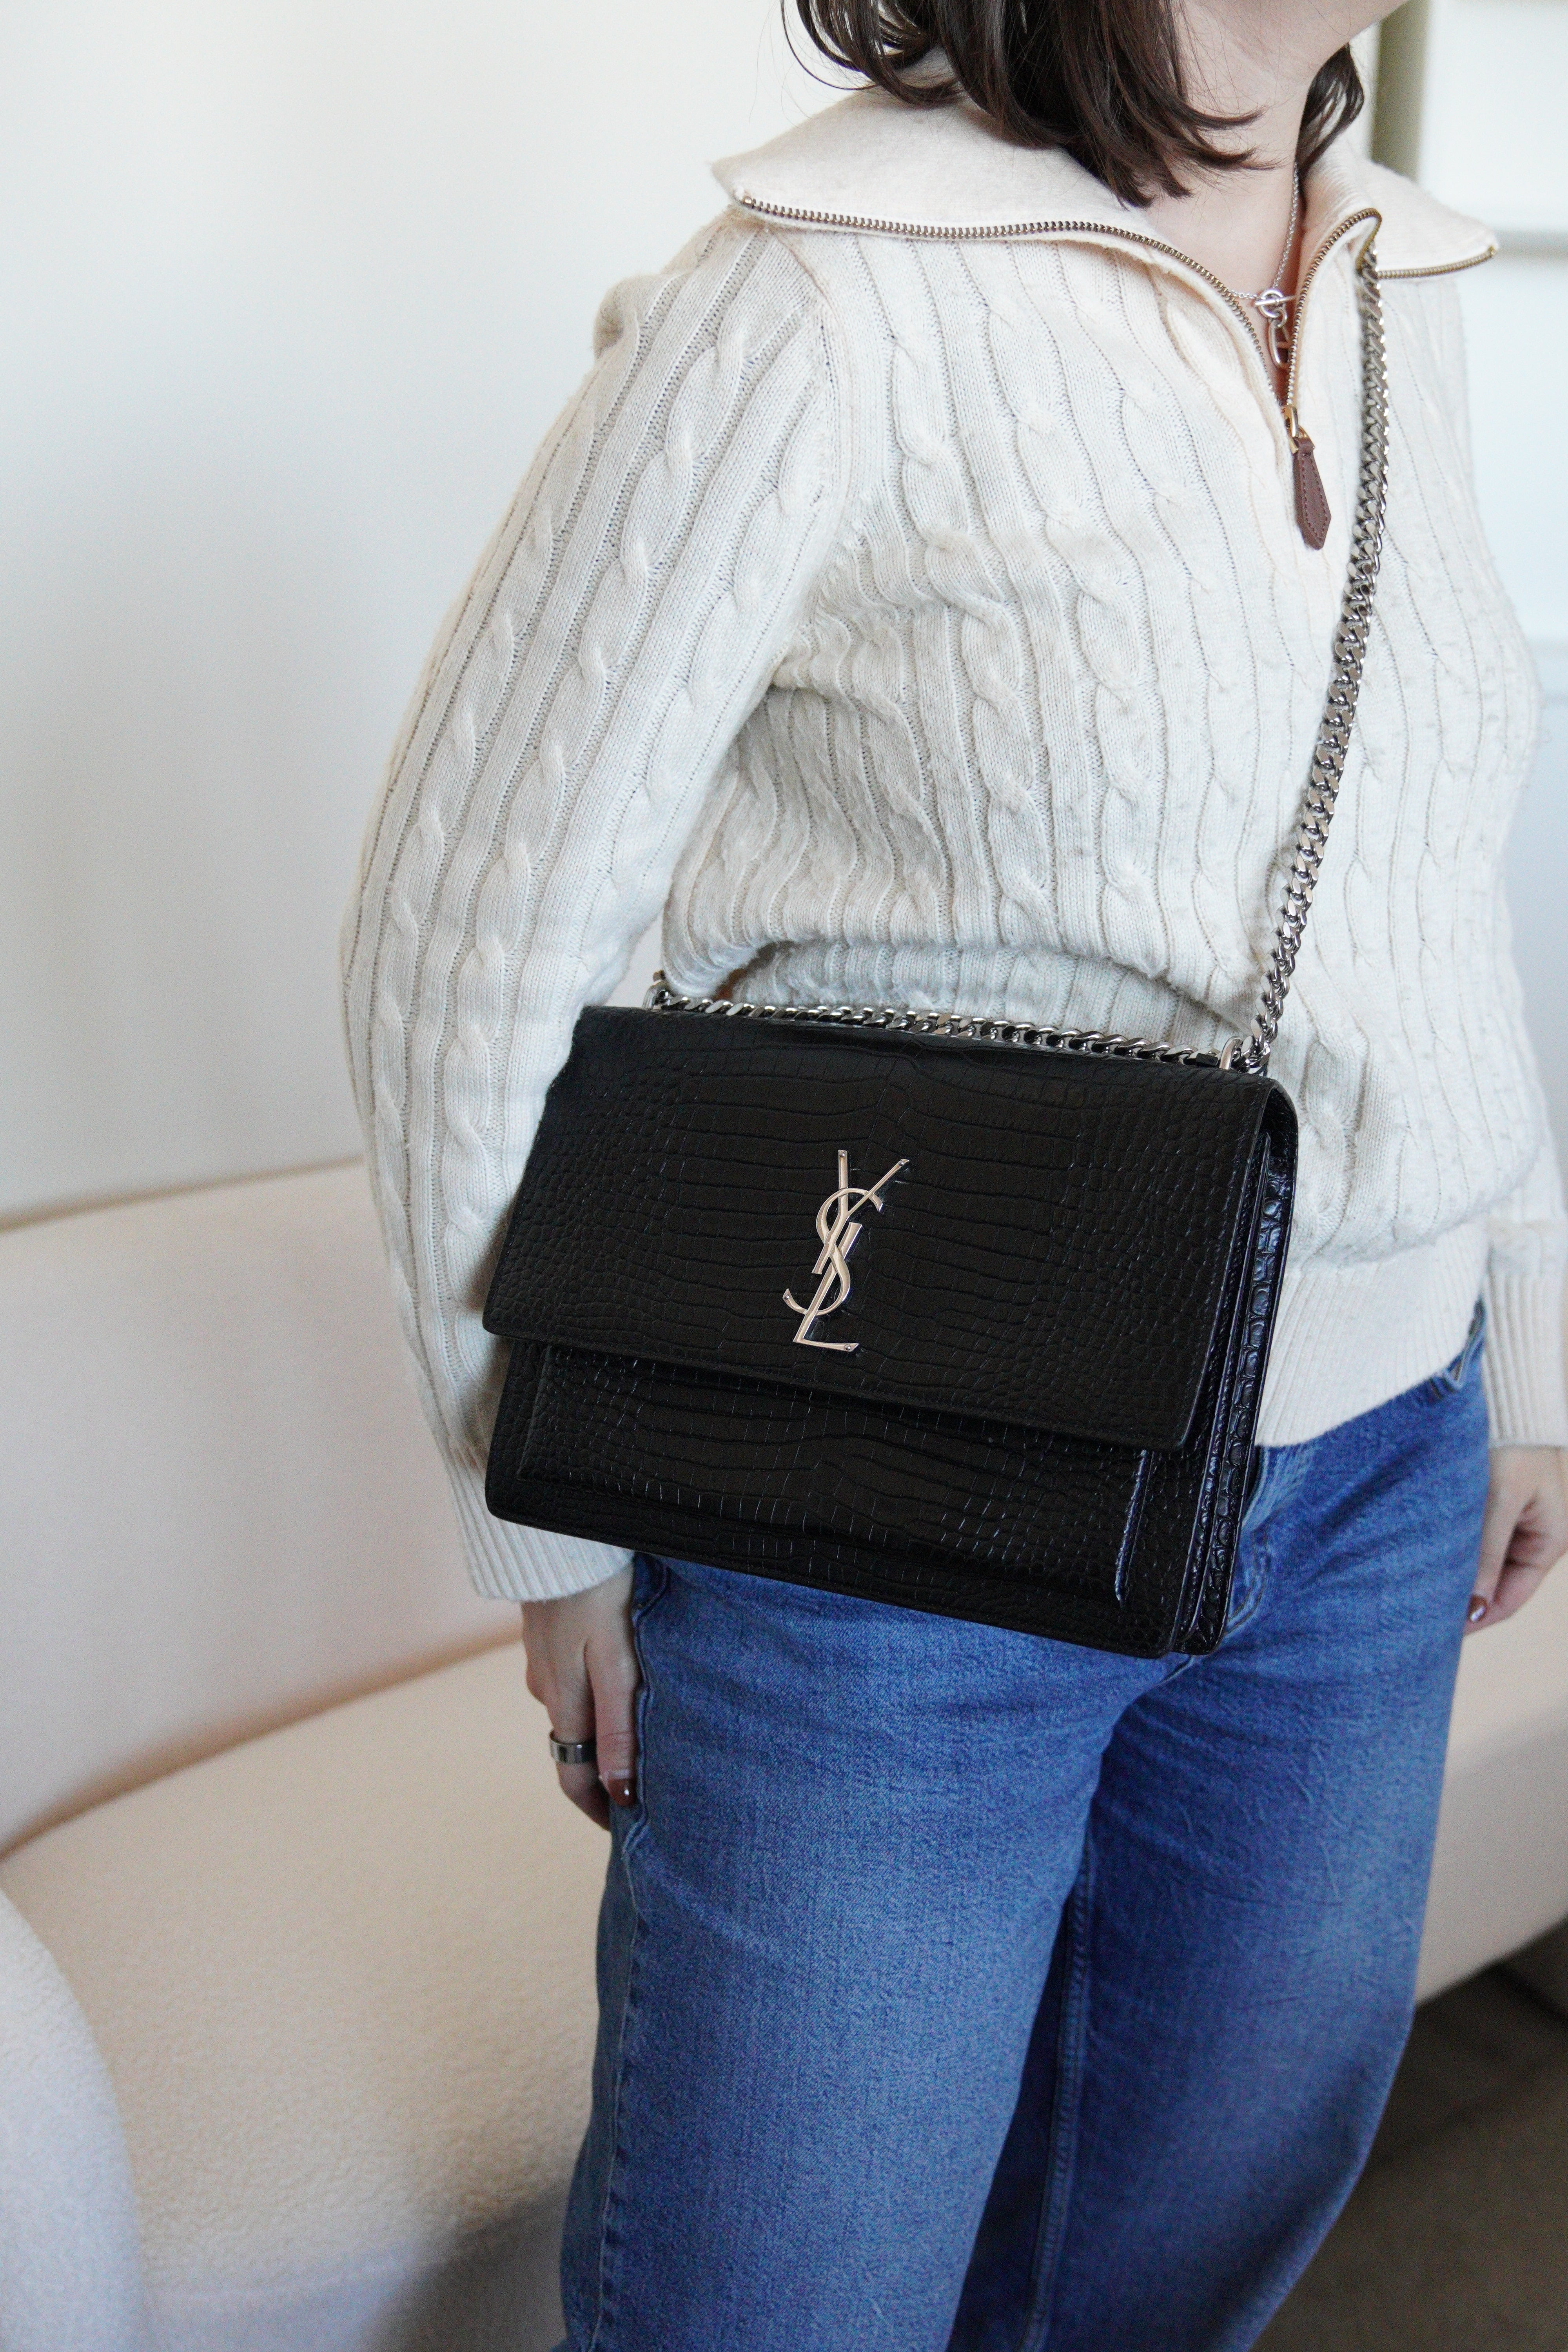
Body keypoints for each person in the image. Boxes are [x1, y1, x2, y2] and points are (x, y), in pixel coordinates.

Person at [341, 0, 1568, 2341]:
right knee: (778, 2302)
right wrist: (546, 1506)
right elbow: (465, 938)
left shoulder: (1400, 272)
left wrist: (1518, 1327)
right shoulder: (817, 295)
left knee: (1172, 2264)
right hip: (891, 1534)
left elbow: (1416, 865)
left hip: (1377, 1493)